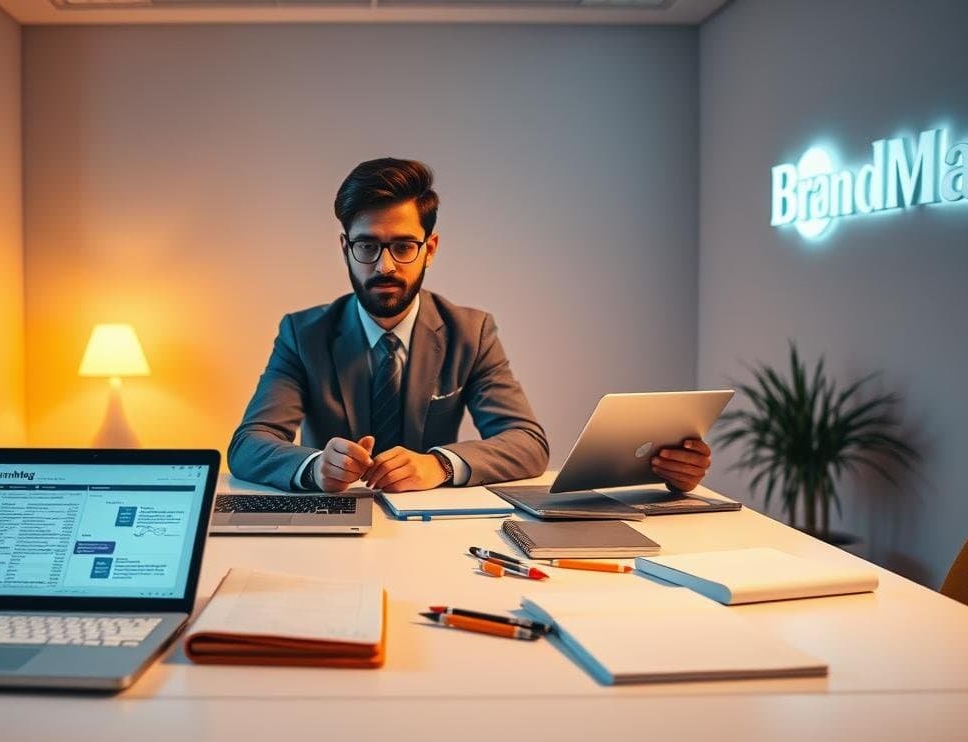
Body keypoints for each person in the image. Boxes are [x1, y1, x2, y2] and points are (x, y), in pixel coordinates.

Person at [228, 157, 711, 494]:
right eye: (367, 247)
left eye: (403, 246)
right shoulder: (302, 333)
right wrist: (314, 468)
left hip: (436, 532)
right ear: (345, 248)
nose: (384, 265)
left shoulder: (471, 331)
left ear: (430, 249)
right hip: (335, 524)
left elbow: (527, 444)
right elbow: (249, 445)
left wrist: (439, 464)